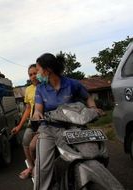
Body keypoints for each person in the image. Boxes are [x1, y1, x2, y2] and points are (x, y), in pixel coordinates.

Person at [32, 53, 103, 190]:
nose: (37, 74)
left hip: (73, 127)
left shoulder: (72, 84)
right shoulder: (41, 88)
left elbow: (88, 98)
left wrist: (93, 108)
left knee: (93, 153)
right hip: (49, 130)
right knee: (43, 168)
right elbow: (38, 108)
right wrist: (37, 113)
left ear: (47, 70)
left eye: (38, 70)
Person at [11, 64, 39, 179]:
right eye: (30, 74)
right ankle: (31, 167)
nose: (33, 76)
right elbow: (28, 109)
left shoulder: (47, 87)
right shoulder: (28, 89)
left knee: (35, 145)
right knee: (25, 142)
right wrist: (19, 126)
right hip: (33, 122)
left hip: (46, 121)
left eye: (35, 73)